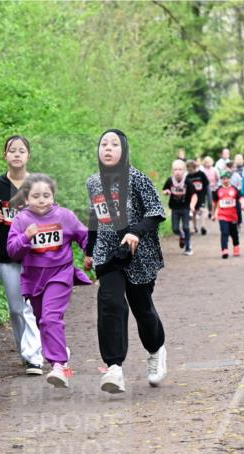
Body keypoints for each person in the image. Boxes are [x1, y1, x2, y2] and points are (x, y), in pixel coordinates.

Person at [83, 129, 168, 394]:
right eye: (104, 144)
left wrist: (136, 232)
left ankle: (156, 350)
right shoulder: (93, 182)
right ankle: (114, 368)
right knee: (110, 303)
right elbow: (95, 216)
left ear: (124, 150)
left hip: (138, 255)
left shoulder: (137, 178)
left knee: (142, 310)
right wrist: (89, 250)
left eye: (114, 144)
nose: (108, 148)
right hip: (107, 254)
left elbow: (155, 212)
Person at [6, 174, 92, 388]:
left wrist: (89, 253)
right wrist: (26, 237)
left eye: (46, 195)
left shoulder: (65, 216)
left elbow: (84, 236)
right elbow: (12, 252)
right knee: (42, 321)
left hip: (60, 274)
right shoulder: (21, 220)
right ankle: (60, 353)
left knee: (50, 318)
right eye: (36, 196)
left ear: (53, 196)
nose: (42, 200)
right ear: (26, 199)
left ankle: (58, 365)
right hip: (34, 279)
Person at [0, 135, 44, 375]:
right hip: (8, 255)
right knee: (16, 309)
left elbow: (52, 210)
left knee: (32, 307)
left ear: (28, 156)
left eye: (21, 150)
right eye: (12, 150)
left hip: (36, 256)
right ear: (5, 155)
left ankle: (34, 357)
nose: (17, 154)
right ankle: (26, 351)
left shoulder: (37, 184)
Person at [162, 159, 197, 256]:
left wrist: (192, 205)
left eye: (180, 169)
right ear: (172, 171)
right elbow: (164, 190)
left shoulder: (187, 181)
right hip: (175, 208)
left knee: (186, 227)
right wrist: (166, 192)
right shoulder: (170, 180)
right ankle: (182, 235)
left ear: (184, 170)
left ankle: (188, 247)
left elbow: (194, 195)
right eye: (175, 169)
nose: (177, 172)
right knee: (175, 229)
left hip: (185, 208)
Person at [212, 170, 244, 259]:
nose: (225, 180)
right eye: (223, 179)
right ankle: (224, 250)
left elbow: (241, 198)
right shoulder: (218, 190)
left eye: (227, 178)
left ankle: (236, 247)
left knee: (234, 233)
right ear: (221, 179)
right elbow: (214, 203)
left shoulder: (234, 189)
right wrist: (213, 214)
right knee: (224, 232)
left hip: (233, 216)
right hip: (222, 215)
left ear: (230, 179)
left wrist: (243, 204)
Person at [185, 159, 208, 235]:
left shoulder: (201, 174)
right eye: (187, 167)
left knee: (203, 210)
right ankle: (194, 228)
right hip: (192, 198)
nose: (189, 169)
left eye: (190, 167)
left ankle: (203, 226)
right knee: (193, 212)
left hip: (201, 196)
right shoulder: (187, 177)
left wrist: (205, 194)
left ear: (194, 167)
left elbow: (206, 184)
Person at [200, 156, 219, 231]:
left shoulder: (214, 170)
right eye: (206, 162)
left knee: (211, 201)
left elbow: (218, 178)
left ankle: (211, 211)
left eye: (209, 162)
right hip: (204, 188)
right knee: (204, 200)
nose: (208, 163)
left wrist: (217, 186)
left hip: (213, 187)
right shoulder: (202, 170)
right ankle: (204, 211)